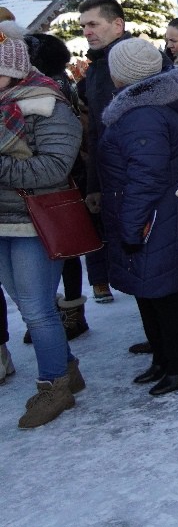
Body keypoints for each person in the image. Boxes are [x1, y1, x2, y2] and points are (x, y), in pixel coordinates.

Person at [99, 40, 178, 395]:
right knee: (149, 289)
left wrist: (130, 226)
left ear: (123, 74)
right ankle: (162, 358)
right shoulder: (141, 107)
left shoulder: (142, 115)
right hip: (152, 214)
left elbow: (146, 177)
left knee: (164, 294)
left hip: (152, 217)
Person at [0, 34, 85, 427]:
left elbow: (53, 168)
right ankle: (68, 368)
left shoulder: (47, 104)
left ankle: (54, 386)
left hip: (34, 222)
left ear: (14, 68)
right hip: (2, 220)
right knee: (26, 306)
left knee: (37, 310)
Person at [78, 0, 173, 305]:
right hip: (114, 179)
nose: (87, 32)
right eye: (83, 26)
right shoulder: (97, 67)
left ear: (117, 25)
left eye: (93, 24)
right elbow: (96, 131)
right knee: (140, 268)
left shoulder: (142, 60)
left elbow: (158, 127)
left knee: (161, 261)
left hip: (147, 179)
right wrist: (95, 186)